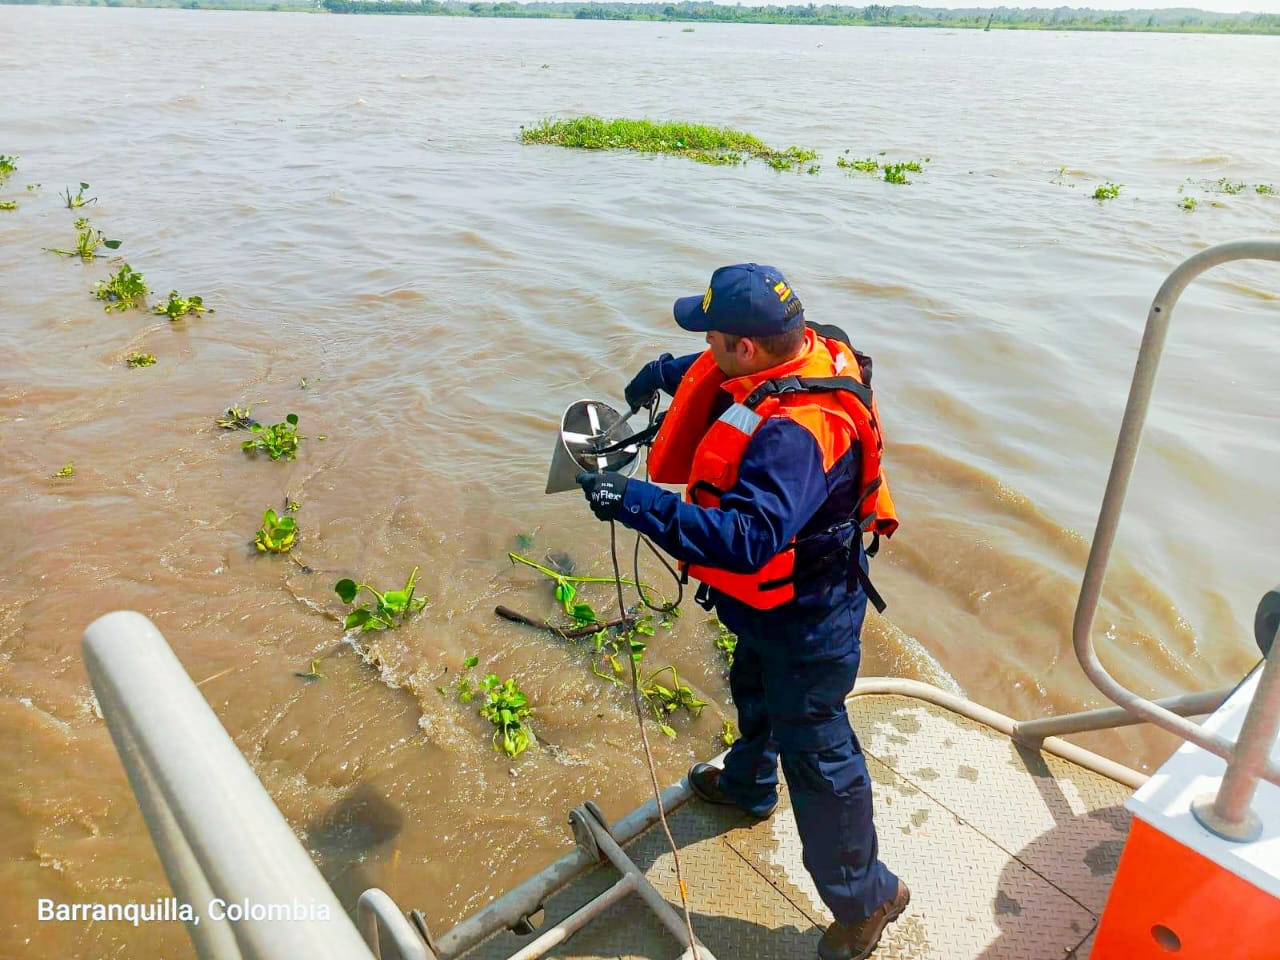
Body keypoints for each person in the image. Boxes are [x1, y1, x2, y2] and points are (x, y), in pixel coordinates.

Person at [574, 263, 909, 960]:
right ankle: (749, 785)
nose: (707, 348)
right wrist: (666, 371)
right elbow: (725, 368)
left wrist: (633, 500)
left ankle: (870, 898)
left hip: (811, 615)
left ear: (747, 348)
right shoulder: (805, 346)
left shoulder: (794, 437)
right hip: (770, 611)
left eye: (712, 338)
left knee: (818, 753)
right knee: (753, 686)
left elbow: (748, 542)